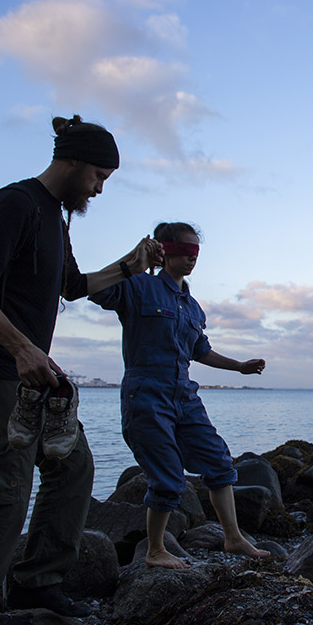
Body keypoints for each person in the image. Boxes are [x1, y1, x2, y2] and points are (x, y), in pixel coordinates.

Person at [0, 115, 162, 625]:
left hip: (35, 382)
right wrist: (19, 347)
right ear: (75, 160)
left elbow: (71, 286)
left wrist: (129, 265)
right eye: (99, 176)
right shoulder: (15, 203)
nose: (100, 189)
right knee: (1, 497)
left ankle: (36, 582)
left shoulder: (55, 219)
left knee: (73, 469)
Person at [89, 221, 271, 569]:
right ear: (164, 250)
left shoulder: (193, 307)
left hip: (185, 396)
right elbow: (95, 290)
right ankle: (155, 549)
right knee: (169, 479)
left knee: (219, 463)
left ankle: (233, 538)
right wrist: (134, 260)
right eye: (184, 251)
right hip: (145, 395)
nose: (192, 258)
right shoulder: (138, 287)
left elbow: (201, 351)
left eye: (196, 252)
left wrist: (239, 367)